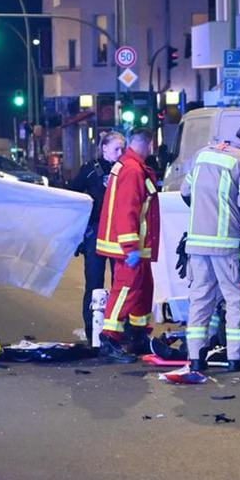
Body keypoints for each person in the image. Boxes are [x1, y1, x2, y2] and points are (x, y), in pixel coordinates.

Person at [177, 120, 240, 376]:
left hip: (196, 243)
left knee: (200, 299)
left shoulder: (203, 154)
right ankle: (238, 357)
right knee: (237, 299)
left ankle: (195, 357)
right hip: (227, 244)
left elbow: (186, 194)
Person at [95, 129, 159, 362]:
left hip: (136, 245)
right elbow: (127, 209)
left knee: (143, 289)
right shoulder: (132, 169)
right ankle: (110, 338)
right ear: (148, 145)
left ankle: (138, 333)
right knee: (126, 288)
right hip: (130, 245)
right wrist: (130, 246)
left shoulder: (131, 166)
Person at [70, 130, 126, 342]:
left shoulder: (125, 170)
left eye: (123, 149)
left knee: (119, 284)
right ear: (104, 148)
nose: (120, 153)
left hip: (118, 234)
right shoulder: (90, 171)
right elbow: (73, 197)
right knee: (94, 283)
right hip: (95, 233)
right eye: (116, 149)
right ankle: (92, 331)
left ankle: (115, 332)